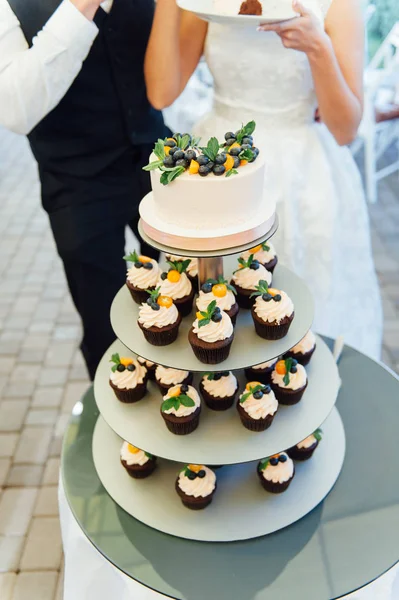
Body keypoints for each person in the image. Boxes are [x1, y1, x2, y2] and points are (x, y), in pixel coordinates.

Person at [144, 0, 383, 359]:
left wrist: (318, 47)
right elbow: (161, 92)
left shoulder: (337, 4)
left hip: (304, 178)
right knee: (215, 318)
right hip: (220, 172)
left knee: (303, 319)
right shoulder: (208, 3)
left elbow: (346, 129)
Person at [0, 0, 169, 379]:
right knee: (105, 328)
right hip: (77, 186)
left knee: (187, 298)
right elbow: (15, 109)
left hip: (157, 162)